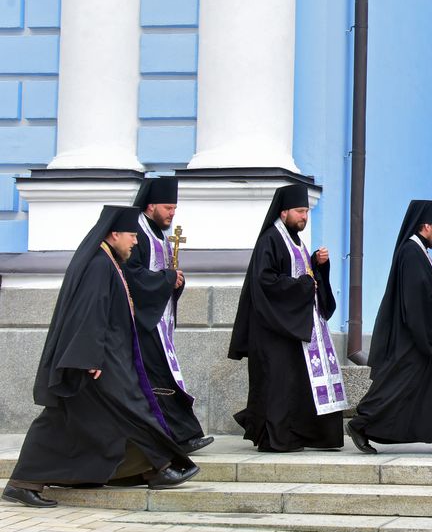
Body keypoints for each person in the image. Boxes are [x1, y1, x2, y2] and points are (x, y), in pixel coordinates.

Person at [3, 206, 199, 507]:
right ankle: (159, 467)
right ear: (114, 233)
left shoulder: (108, 262)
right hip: (99, 360)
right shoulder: (99, 265)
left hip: (106, 357)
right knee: (127, 409)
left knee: (93, 417)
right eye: (132, 235)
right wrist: (89, 358)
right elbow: (90, 314)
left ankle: (152, 468)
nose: (135, 241)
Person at [347, 200, 432, 455]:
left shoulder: (419, 251)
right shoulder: (411, 253)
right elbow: (415, 299)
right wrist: (431, 328)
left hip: (430, 335)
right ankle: (360, 424)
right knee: (397, 387)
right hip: (416, 338)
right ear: (425, 226)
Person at [228, 183, 346, 452]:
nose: (304, 216)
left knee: (297, 384)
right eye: (300, 211)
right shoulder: (270, 239)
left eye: (306, 211)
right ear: (284, 213)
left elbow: (304, 276)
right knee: (277, 384)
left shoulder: (295, 241)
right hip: (272, 330)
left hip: (291, 328)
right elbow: (266, 281)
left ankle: (305, 435)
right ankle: (275, 438)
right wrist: (304, 285)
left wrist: (317, 265)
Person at [125, 176, 212, 454]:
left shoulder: (160, 235)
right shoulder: (136, 232)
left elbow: (163, 273)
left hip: (159, 320)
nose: (172, 213)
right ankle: (182, 436)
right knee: (162, 377)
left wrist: (175, 281)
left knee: (163, 378)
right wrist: (167, 278)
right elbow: (132, 276)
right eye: (168, 207)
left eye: (174, 208)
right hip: (142, 321)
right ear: (150, 206)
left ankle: (180, 435)